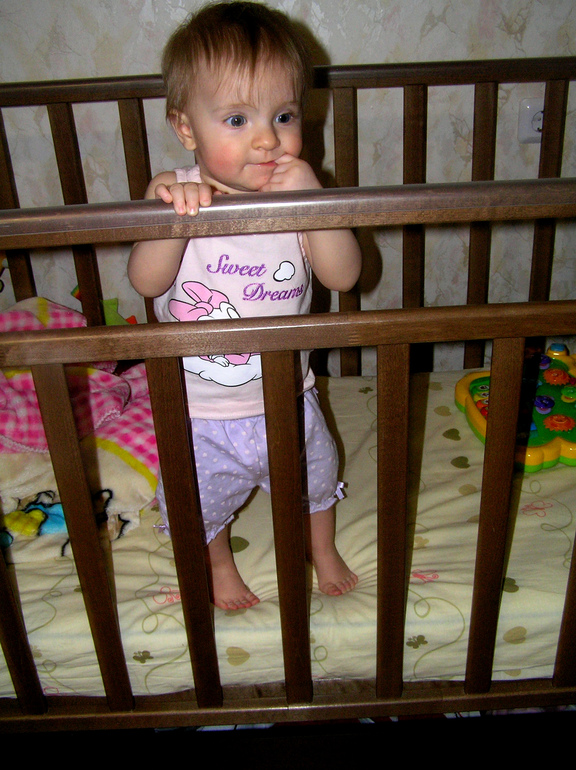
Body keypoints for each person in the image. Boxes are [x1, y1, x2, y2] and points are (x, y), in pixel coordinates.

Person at [128, 1, 361, 611]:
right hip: (198, 412)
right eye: (237, 119)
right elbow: (147, 283)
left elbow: (344, 274)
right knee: (198, 501)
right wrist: (170, 216)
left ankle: (321, 548)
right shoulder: (175, 195)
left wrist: (315, 203)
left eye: (284, 116)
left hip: (287, 395)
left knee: (315, 481)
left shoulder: (297, 198)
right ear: (187, 130)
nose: (267, 139)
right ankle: (219, 563)